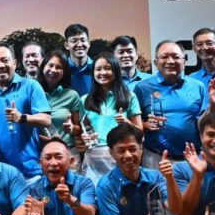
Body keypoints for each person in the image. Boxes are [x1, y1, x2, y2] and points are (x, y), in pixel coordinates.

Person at [0, 41, 51, 182]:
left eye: (5, 60)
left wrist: (22, 118)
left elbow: (46, 119)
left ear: (15, 63)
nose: (1, 65)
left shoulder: (31, 86)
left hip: (29, 173)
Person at [134, 40, 207, 168]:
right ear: (156, 62)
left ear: (184, 62)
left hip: (192, 159)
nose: (170, 61)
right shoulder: (142, 88)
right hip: (155, 158)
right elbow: (132, 123)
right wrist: (145, 125)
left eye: (176, 57)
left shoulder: (197, 86)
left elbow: (205, 122)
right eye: (164, 57)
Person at [80, 52, 142, 184]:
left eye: (108, 68)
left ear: (116, 71)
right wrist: (84, 137)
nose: (103, 72)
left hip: (120, 154)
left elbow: (140, 131)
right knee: (94, 193)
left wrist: (126, 122)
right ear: (93, 73)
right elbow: (83, 129)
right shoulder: (84, 100)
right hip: (93, 157)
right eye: (98, 69)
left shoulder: (129, 96)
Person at [36, 50, 82, 163]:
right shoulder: (33, 93)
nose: (53, 70)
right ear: (43, 67)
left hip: (68, 152)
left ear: (64, 72)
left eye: (59, 67)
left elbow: (79, 129)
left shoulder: (72, 95)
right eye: (50, 65)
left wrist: (72, 128)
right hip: (41, 153)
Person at [64, 23, 93, 97]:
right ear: (66, 45)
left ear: (89, 43)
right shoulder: (62, 69)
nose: (79, 45)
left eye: (83, 40)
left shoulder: (97, 68)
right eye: (74, 41)